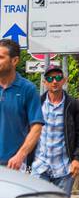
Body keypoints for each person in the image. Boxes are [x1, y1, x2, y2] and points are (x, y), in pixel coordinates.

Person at [30, 66, 79, 196]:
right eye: (50, 78)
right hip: (39, 168)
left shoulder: (73, 105)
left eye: (58, 78)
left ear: (64, 80)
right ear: (45, 82)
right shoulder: (37, 104)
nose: (54, 81)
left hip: (64, 170)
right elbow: (27, 131)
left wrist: (77, 159)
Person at [0, 39, 43, 171]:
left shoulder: (27, 89)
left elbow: (36, 127)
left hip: (14, 165)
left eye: (1, 57)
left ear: (15, 61)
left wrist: (21, 155)